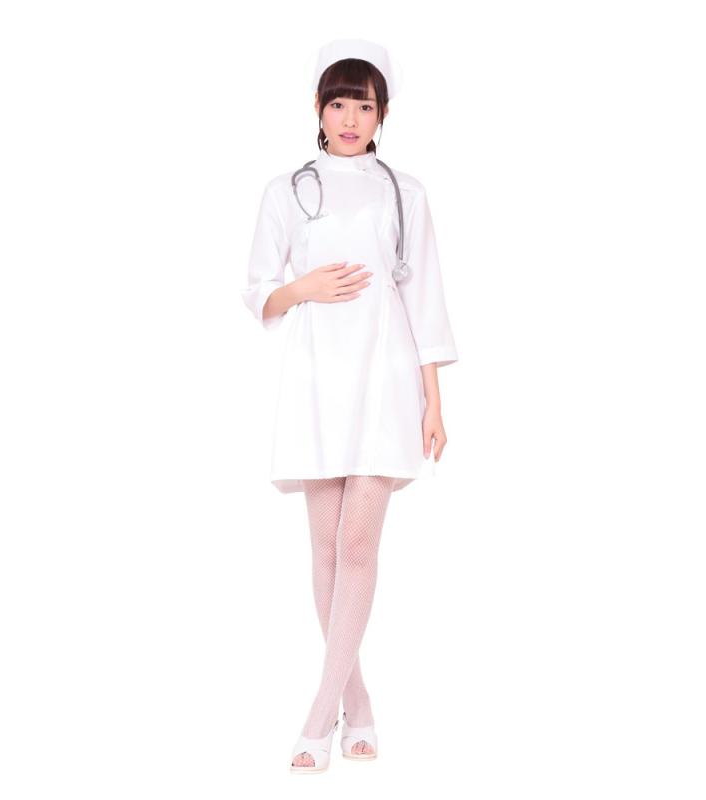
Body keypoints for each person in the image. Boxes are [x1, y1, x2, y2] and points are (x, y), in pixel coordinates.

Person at [240, 38, 459, 773]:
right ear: (318, 107)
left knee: (359, 545)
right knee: (326, 550)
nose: (349, 118)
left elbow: (425, 299)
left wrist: (434, 402)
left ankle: (316, 718)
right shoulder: (287, 190)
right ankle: (357, 705)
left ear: (382, 114)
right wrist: (303, 288)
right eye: (338, 103)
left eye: (363, 106)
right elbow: (258, 290)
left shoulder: (406, 192)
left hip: (387, 375)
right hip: (316, 377)